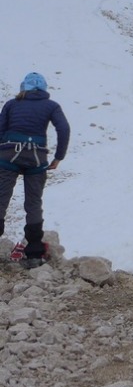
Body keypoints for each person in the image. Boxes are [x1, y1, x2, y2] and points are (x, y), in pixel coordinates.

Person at [0, 72, 70, 268]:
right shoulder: (51, 106)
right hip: (36, 157)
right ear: (44, 89)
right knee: (33, 204)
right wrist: (58, 157)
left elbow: (0, 129)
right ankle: (33, 254)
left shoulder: (11, 104)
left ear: (23, 88)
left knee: (1, 199)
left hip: (8, 155)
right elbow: (63, 128)